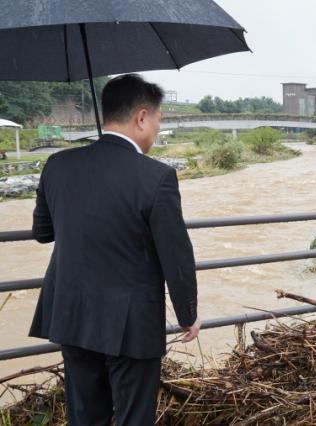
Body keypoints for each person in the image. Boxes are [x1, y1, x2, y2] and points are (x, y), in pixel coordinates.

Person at [29, 74, 201, 425]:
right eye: (157, 120)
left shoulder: (58, 165)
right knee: (134, 417)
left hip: (73, 313)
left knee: (84, 416)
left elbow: (43, 232)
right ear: (140, 117)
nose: (156, 129)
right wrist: (188, 313)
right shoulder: (157, 177)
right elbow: (176, 255)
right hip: (131, 324)